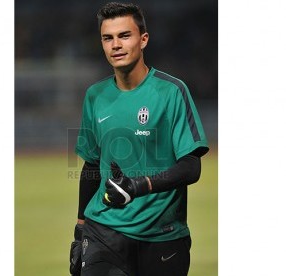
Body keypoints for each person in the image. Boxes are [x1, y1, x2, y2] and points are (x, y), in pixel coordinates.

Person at [69, 2, 209, 276]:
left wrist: (139, 185)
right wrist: (79, 229)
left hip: (163, 237)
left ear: (143, 39)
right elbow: (93, 166)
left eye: (124, 35)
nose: (115, 45)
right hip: (104, 232)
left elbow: (191, 167)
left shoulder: (171, 92)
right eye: (108, 38)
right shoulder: (95, 96)